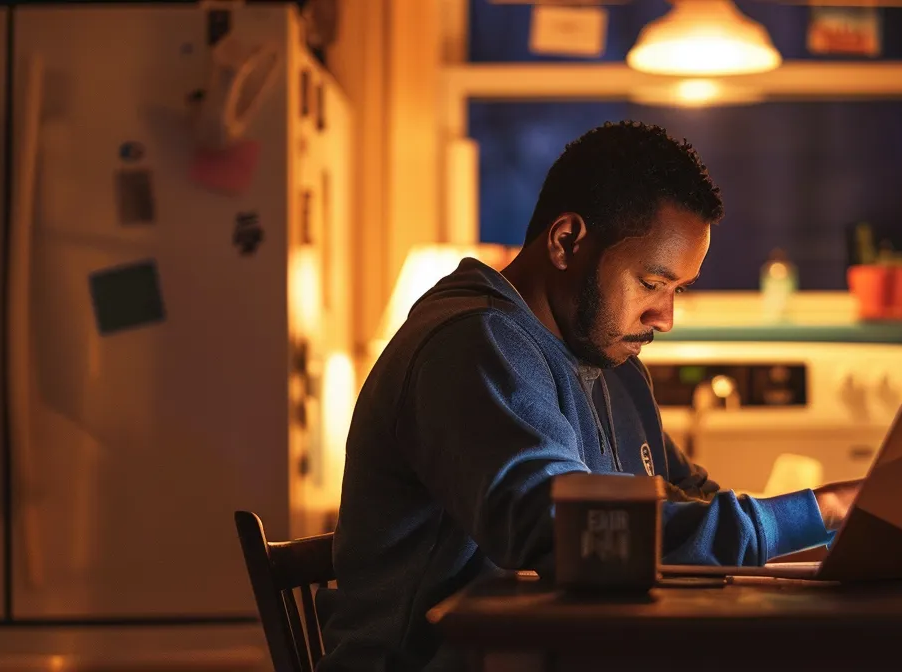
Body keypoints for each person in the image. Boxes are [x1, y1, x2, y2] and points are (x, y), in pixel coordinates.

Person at [319, 121, 863, 671]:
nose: (665, 318)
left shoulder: (612, 364)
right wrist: (828, 505)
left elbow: (686, 502)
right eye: (652, 284)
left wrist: (846, 536)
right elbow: (572, 533)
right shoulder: (471, 346)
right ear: (566, 241)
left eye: (678, 290)